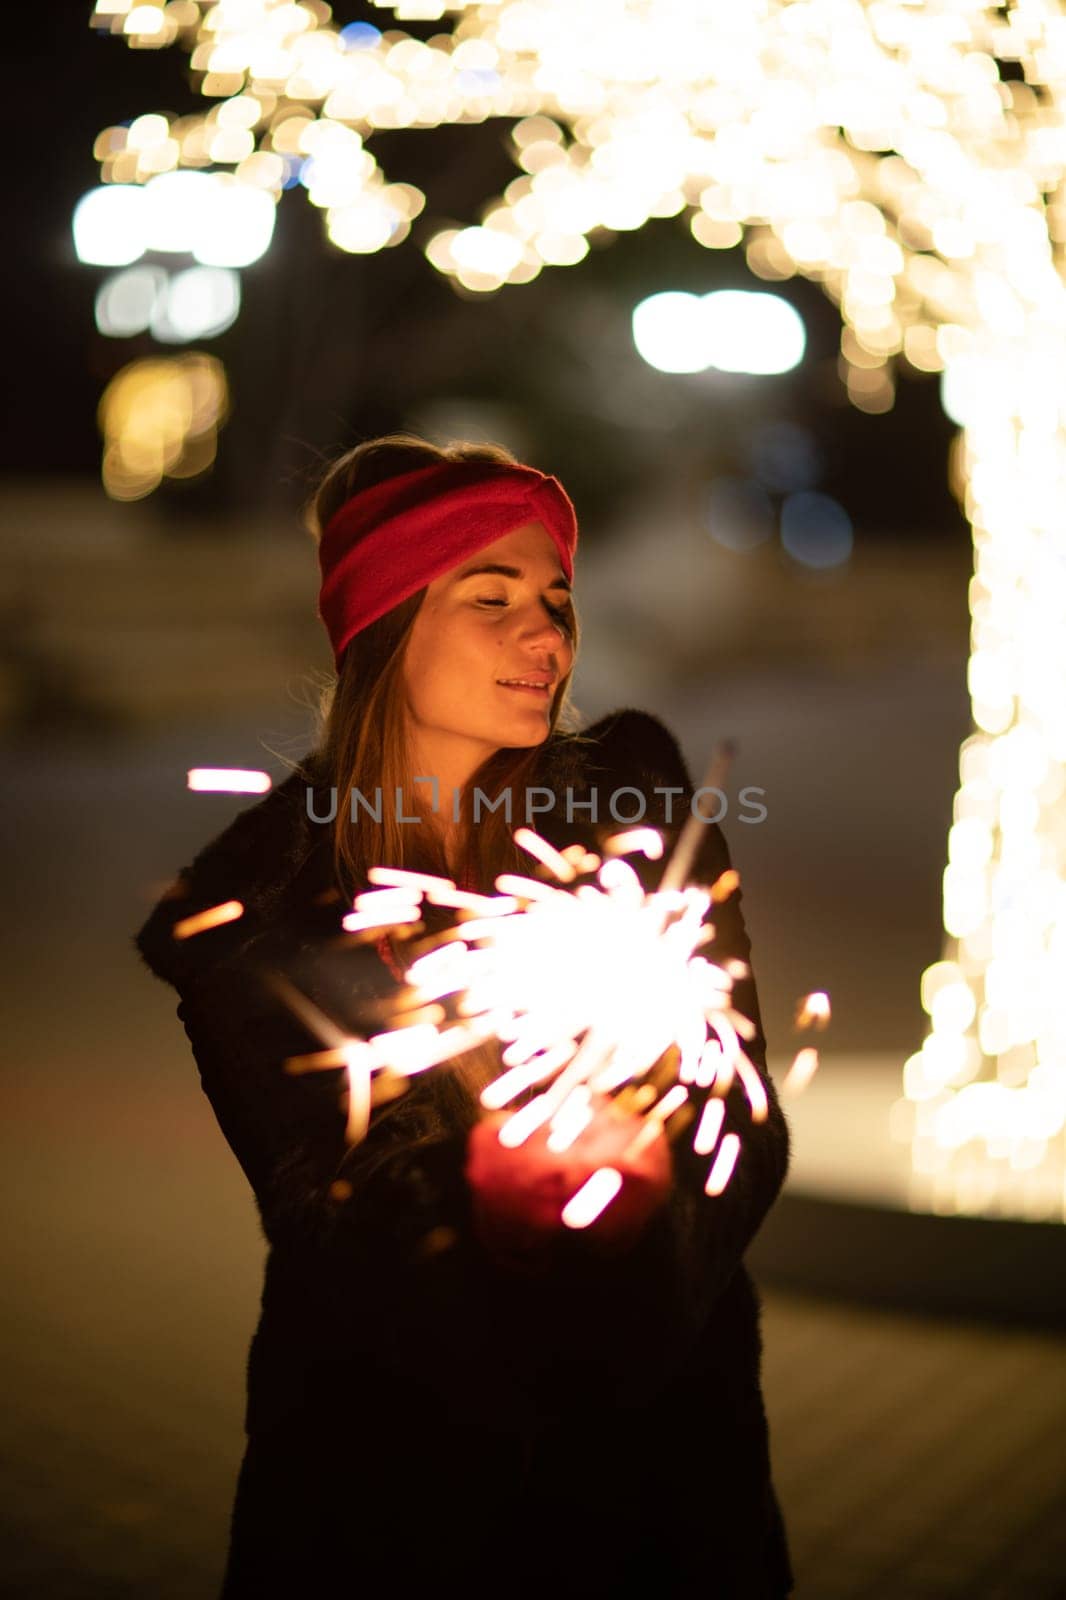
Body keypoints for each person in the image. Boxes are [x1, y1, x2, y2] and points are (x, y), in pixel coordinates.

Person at [133, 433, 793, 1598]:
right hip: (397, 1510)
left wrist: (630, 1206)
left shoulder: (635, 826)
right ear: (382, 628)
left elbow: (745, 1123)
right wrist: (511, 1199)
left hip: (663, 1500)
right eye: (490, 599)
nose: (546, 636)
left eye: (555, 598)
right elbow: (345, 1222)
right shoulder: (261, 917)